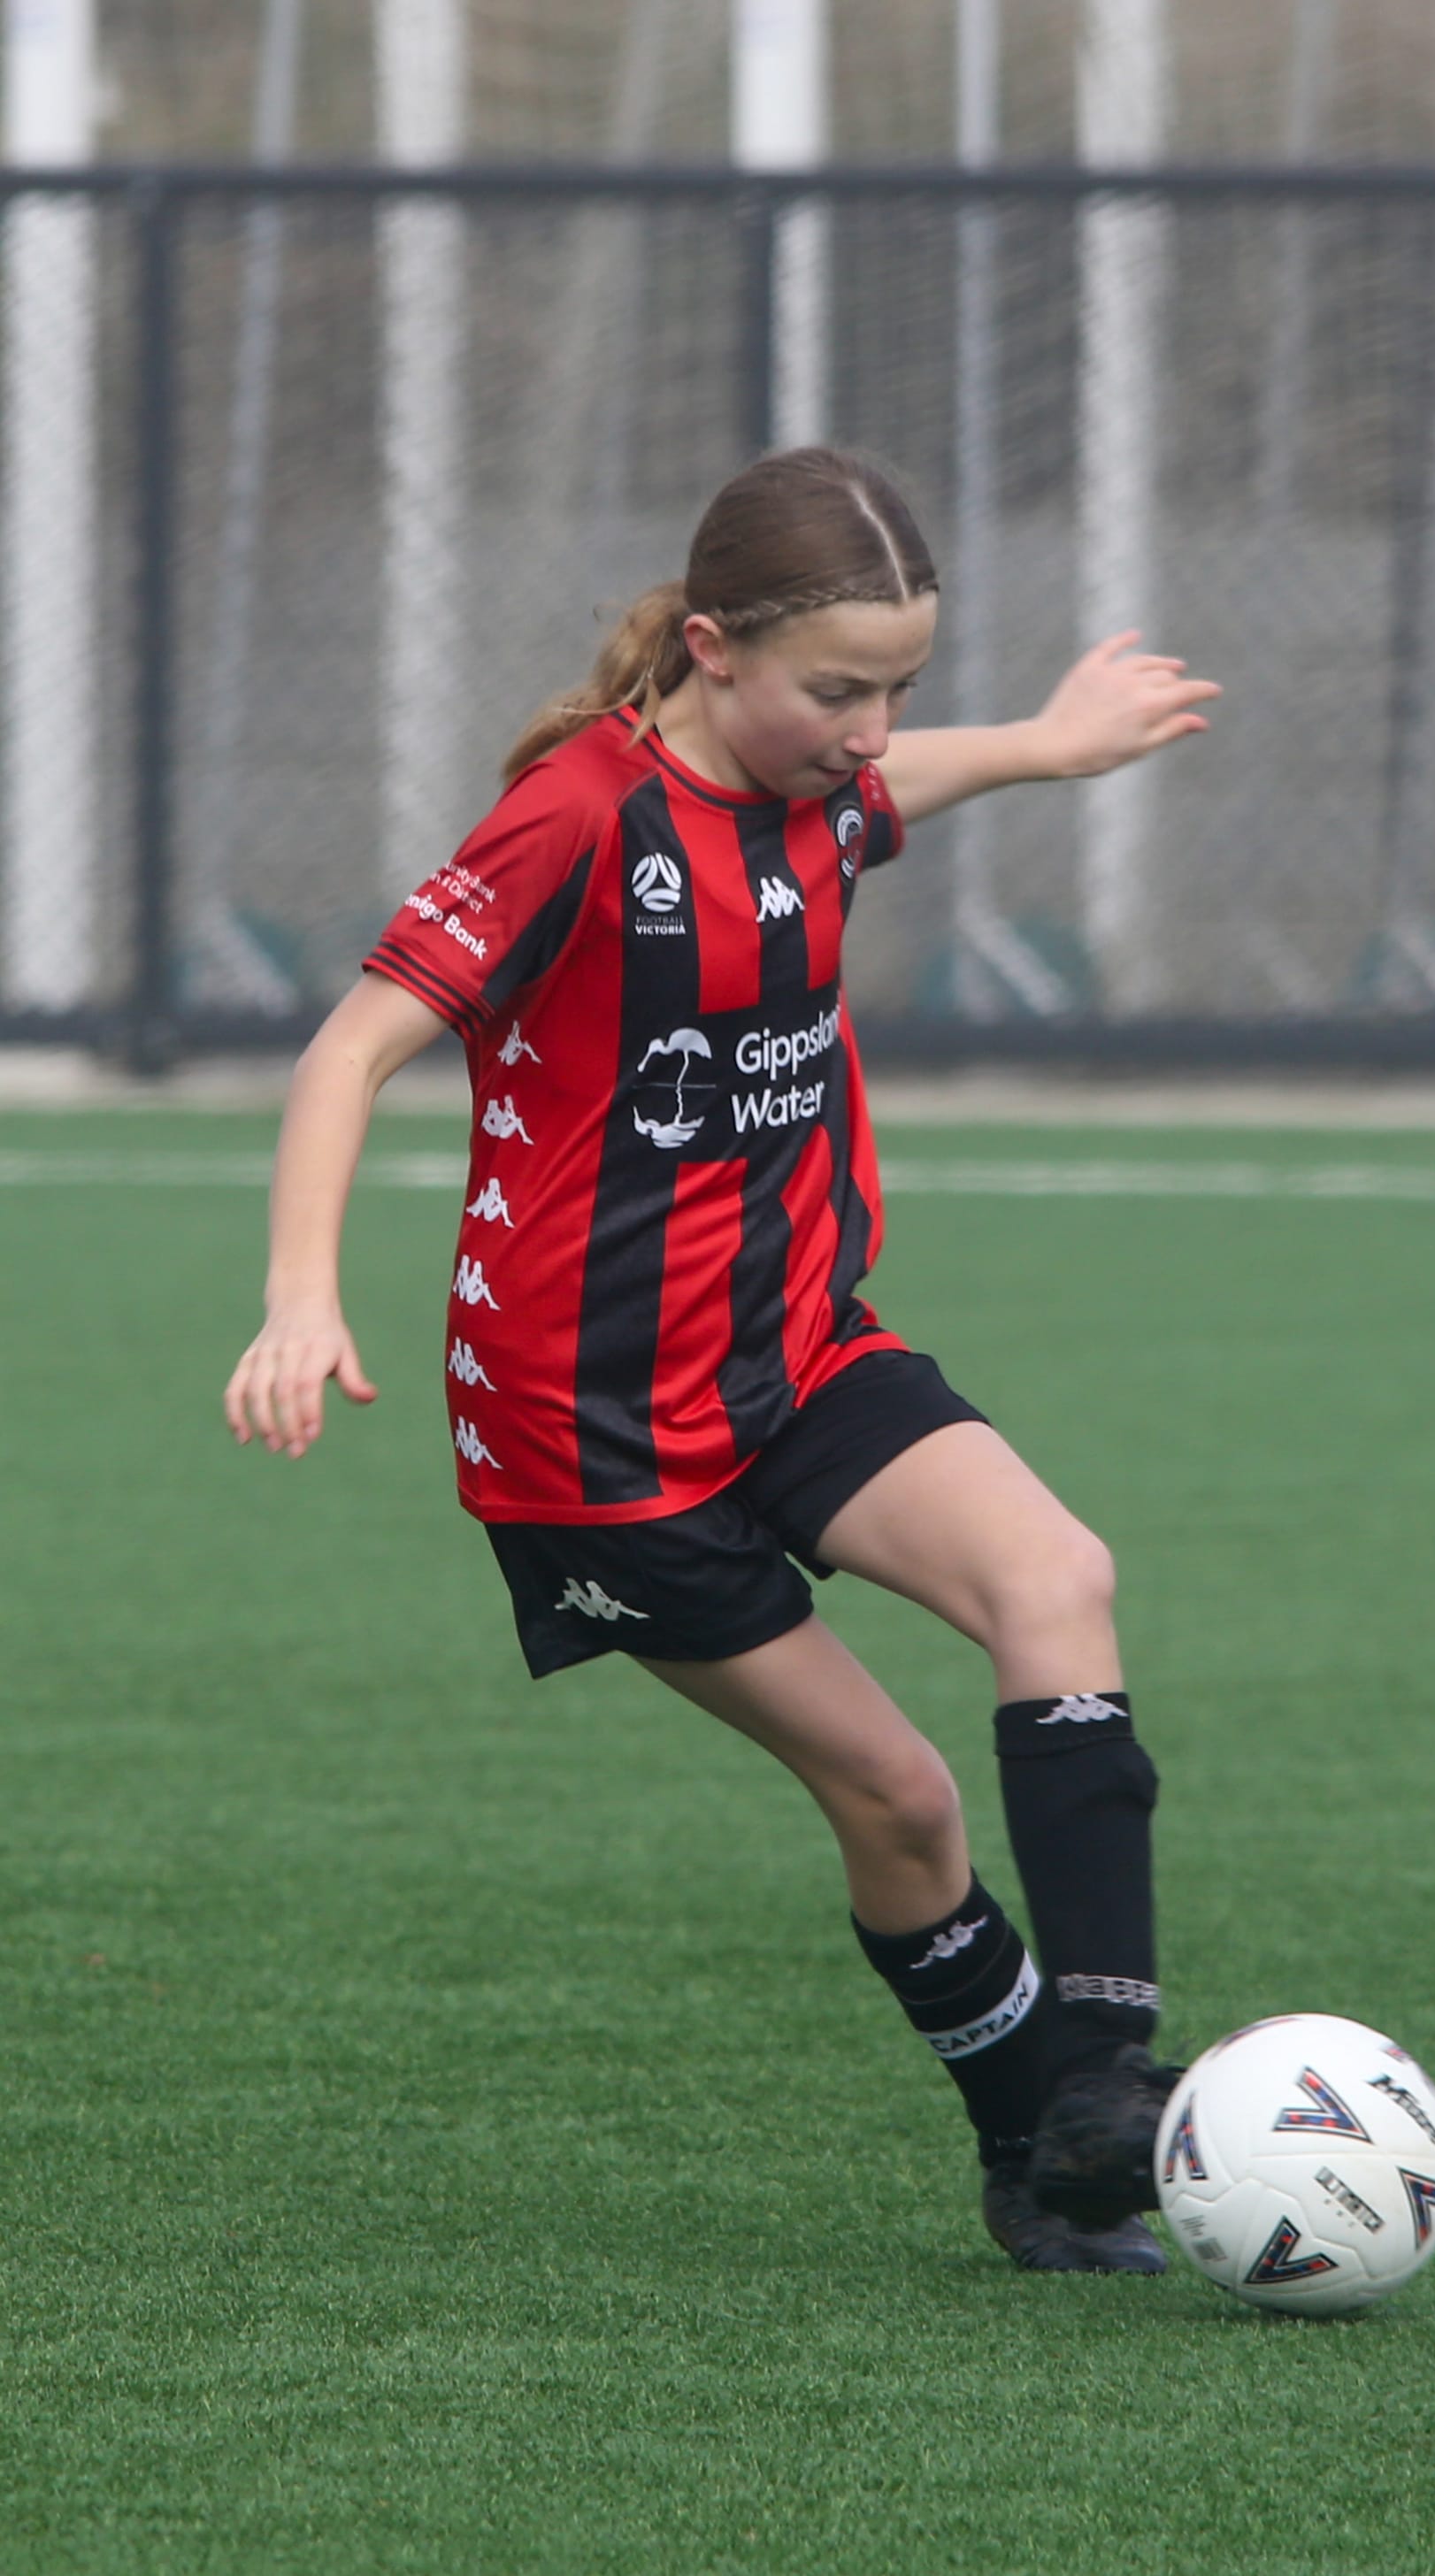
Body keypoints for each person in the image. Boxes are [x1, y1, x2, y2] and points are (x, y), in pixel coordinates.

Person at [225, 447, 1219, 2273]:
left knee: (1056, 1579)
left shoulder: (821, 784)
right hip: (594, 1435)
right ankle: (1035, 2149)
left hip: (796, 1348)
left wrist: (1042, 744)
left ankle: (1105, 2078)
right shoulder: (576, 819)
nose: (871, 732)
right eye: (840, 689)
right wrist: (303, 1296)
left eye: (898, 687)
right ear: (710, 650)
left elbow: (893, 782)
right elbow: (346, 1050)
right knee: (900, 1800)